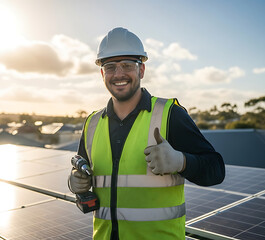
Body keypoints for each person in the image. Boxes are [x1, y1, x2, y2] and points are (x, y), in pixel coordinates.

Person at [68, 27, 225, 240]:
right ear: (102, 73)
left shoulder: (171, 115)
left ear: (141, 70)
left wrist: (181, 162)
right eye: (111, 66)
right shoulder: (93, 123)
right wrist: (75, 183)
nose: (119, 74)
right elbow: (83, 172)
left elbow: (216, 169)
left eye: (127, 65)